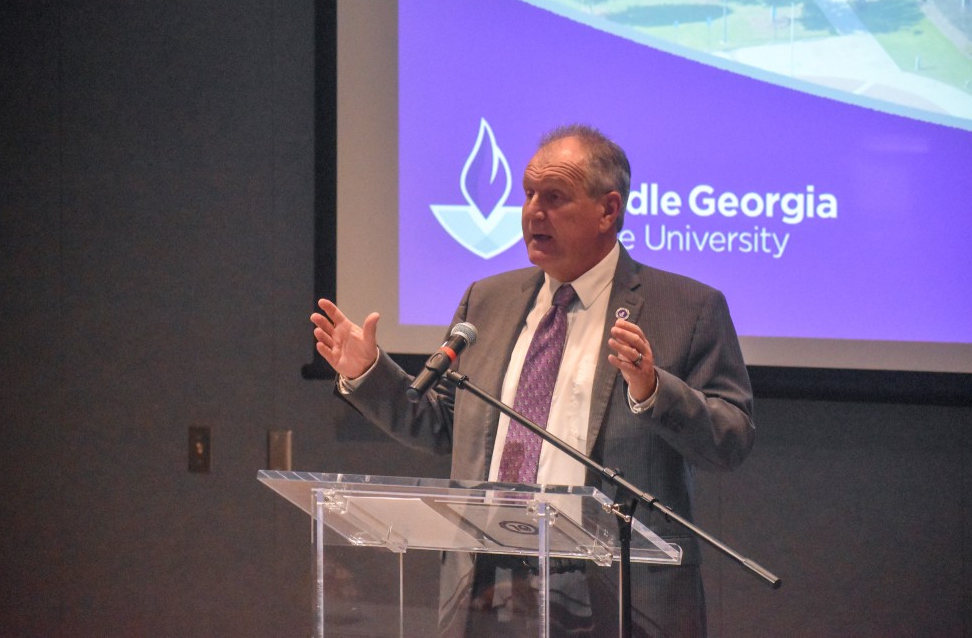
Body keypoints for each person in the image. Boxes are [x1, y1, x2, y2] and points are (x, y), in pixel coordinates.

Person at [310, 124, 754, 637]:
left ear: (608, 211)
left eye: (555, 197)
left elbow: (731, 439)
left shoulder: (687, 309)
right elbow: (446, 428)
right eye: (527, 194)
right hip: (489, 585)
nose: (532, 211)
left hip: (618, 593)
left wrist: (654, 391)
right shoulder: (489, 300)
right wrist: (368, 374)